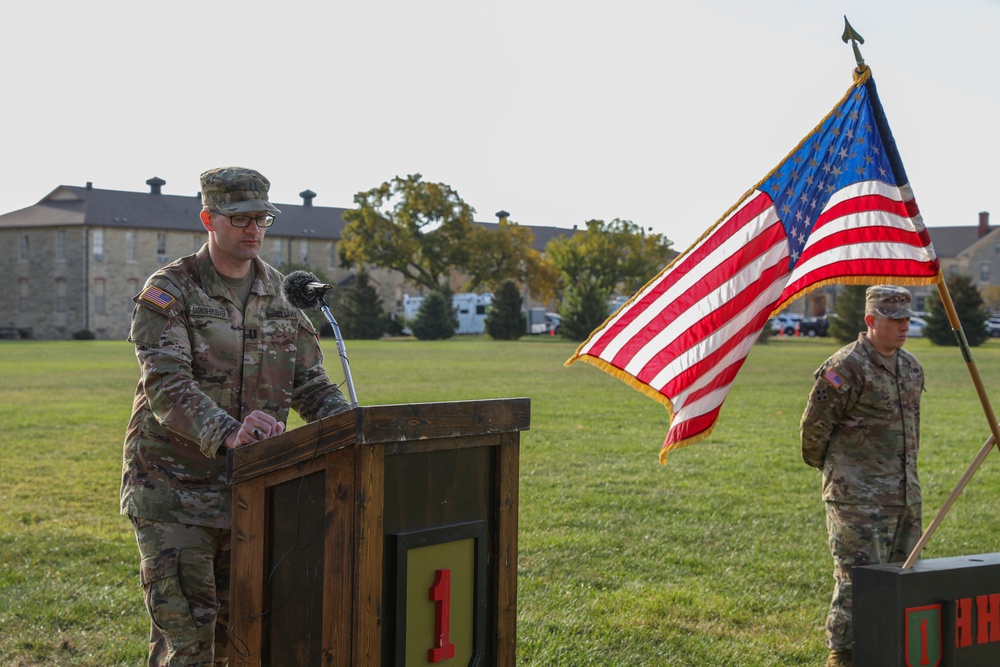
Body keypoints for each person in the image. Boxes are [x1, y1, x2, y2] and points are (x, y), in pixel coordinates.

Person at [120, 166, 350, 666]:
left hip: (254, 493)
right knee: (190, 646)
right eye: (240, 217)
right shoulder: (172, 290)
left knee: (243, 643)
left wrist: (356, 429)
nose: (254, 229)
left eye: (262, 218)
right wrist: (229, 432)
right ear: (209, 218)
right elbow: (167, 384)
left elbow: (310, 383)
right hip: (175, 493)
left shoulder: (283, 294)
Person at [800, 285, 924, 667]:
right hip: (856, 497)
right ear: (871, 320)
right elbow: (813, 431)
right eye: (894, 320)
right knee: (856, 584)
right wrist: (844, 476)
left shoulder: (912, 367)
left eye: (906, 319)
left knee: (904, 581)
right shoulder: (846, 367)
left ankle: (889, 652)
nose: (903, 327)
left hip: (903, 495)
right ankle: (843, 656)